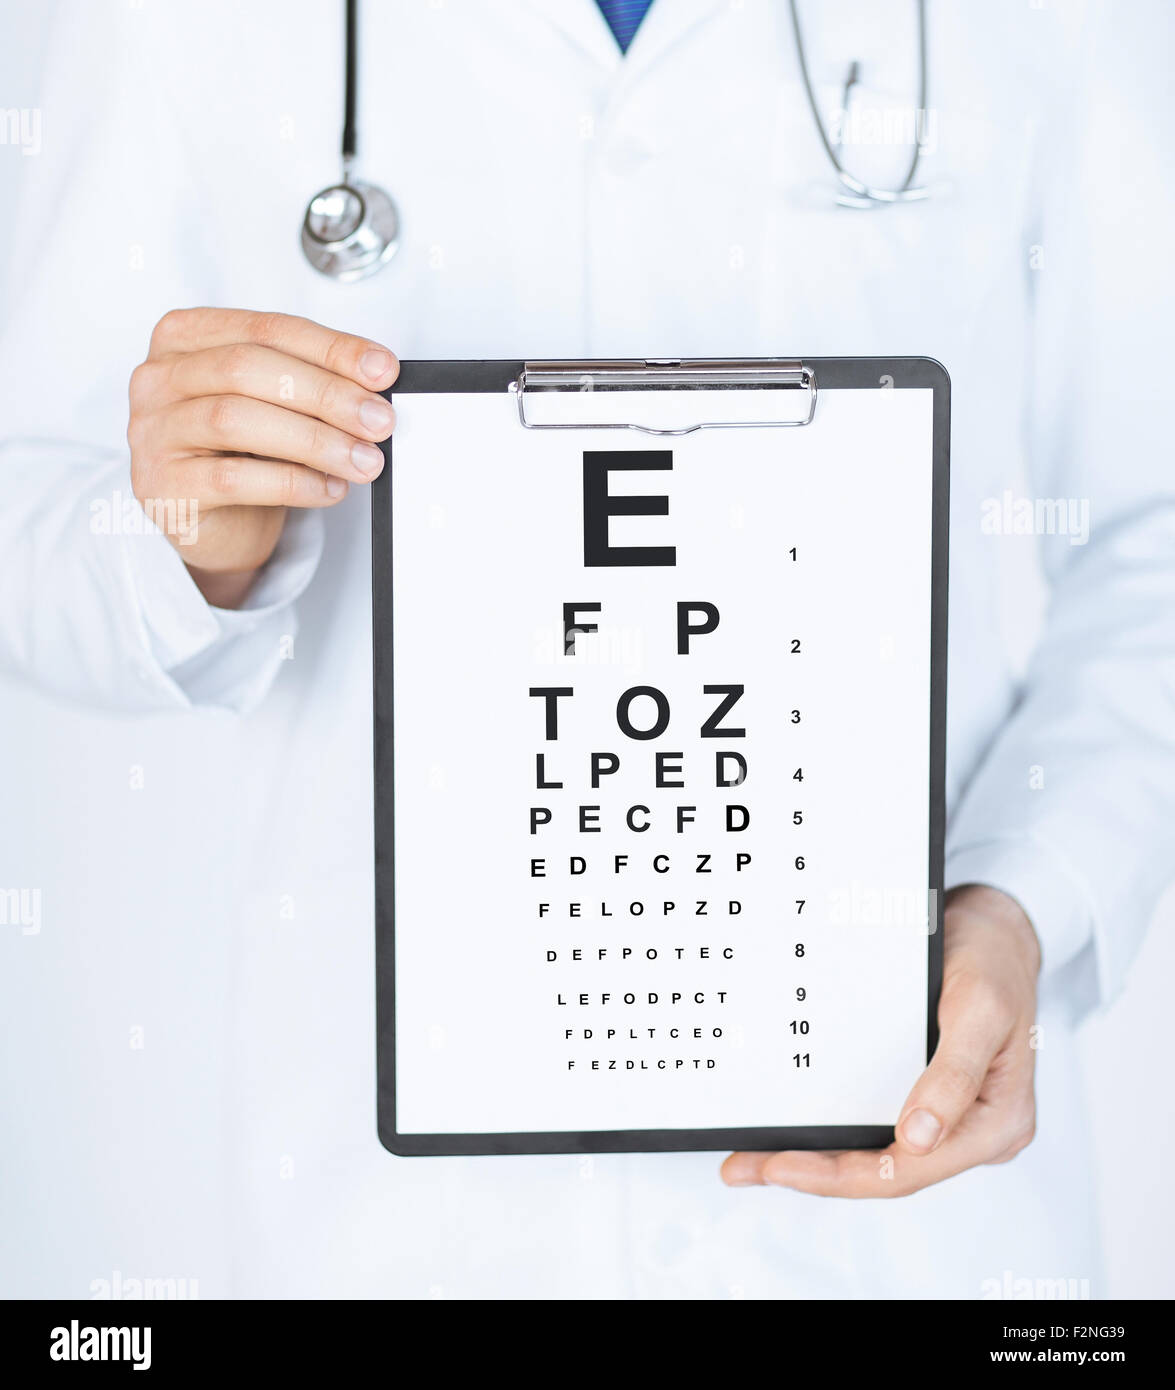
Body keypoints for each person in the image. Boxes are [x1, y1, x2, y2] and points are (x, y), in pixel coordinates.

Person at [1, 0, 1172, 1299]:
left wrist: (1026, 899)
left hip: (905, 1206)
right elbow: (29, 530)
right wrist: (189, 544)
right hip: (401, 1226)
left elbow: (1154, 544)